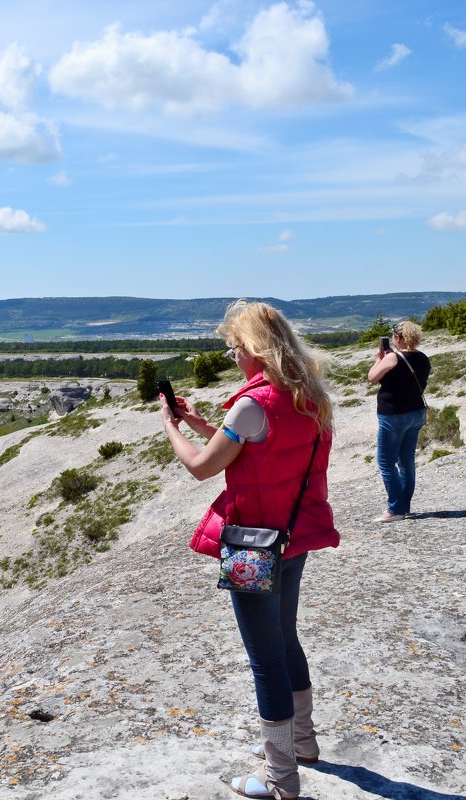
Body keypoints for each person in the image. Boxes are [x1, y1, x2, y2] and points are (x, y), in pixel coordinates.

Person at [159, 300, 339, 799]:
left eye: (235, 348)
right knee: (286, 639)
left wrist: (172, 427)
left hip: (251, 544)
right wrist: (199, 421)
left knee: (265, 659)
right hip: (292, 533)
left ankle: (281, 779)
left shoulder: (250, 403)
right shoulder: (309, 395)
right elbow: (258, 446)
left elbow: (202, 467)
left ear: (256, 350)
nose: (233, 357)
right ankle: (304, 743)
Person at [367, 320, 431, 522]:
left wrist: (379, 359)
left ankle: (395, 509)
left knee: (386, 462)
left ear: (398, 338)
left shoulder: (393, 358)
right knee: (407, 461)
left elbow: (372, 377)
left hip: (394, 415)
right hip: (416, 413)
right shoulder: (423, 358)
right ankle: (405, 506)